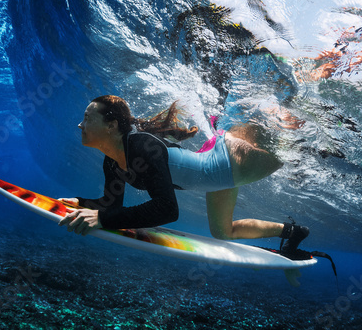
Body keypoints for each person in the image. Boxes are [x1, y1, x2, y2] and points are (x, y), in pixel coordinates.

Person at [58, 95, 309, 253]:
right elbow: (111, 205)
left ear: (111, 126)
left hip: (234, 161)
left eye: (87, 118)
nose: (80, 124)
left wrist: (104, 219)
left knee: (294, 145)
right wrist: (83, 203)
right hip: (216, 174)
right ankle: (293, 232)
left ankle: (307, 105)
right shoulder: (112, 162)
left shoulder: (142, 146)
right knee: (222, 233)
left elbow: (167, 209)